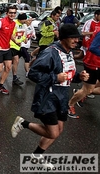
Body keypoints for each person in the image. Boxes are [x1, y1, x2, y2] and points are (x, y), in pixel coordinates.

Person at [11, 24, 89, 162]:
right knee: (52, 133)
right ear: (64, 38)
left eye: (77, 38)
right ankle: (23, 123)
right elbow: (33, 73)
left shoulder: (68, 52)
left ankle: (37, 155)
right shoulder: (50, 52)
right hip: (48, 98)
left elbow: (66, 73)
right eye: (73, 38)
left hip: (62, 98)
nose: (77, 41)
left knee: (58, 130)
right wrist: (55, 78)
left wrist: (79, 77)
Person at [68, 28, 100, 118]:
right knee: (87, 89)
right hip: (93, 64)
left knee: (89, 89)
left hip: (98, 63)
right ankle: (70, 105)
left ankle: (82, 92)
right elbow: (93, 48)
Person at [10, 13, 28, 86]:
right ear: (20, 19)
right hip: (12, 45)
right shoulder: (14, 24)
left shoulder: (24, 25)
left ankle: (14, 77)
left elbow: (23, 35)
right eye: (24, 19)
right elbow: (11, 35)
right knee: (16, 60)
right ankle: (14, 77)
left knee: (14, 62)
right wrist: (16, 42)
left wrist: (24, 39)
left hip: (18, 46)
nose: (25, 21)